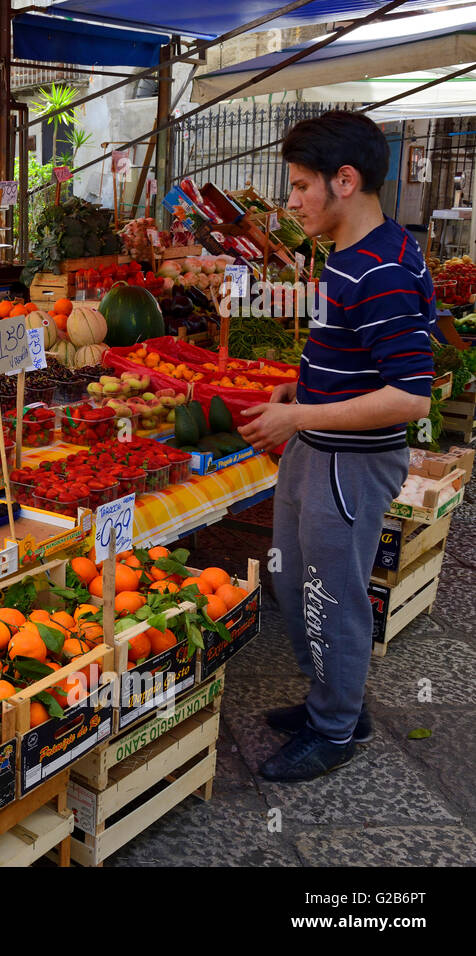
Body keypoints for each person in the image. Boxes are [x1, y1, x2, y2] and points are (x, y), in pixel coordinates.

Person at [237, 111, 435, 783]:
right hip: (317, 449)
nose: (290, 201)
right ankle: (333, 703)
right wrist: (297, 397)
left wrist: (299, 420)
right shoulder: (348, 256)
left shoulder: (381, 270)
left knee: (333, 597)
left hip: (349, 464)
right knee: (292, 580)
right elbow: (343, 352)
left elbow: (413, 396)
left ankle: (337, 730)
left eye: (299, 186)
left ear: (343, 181)